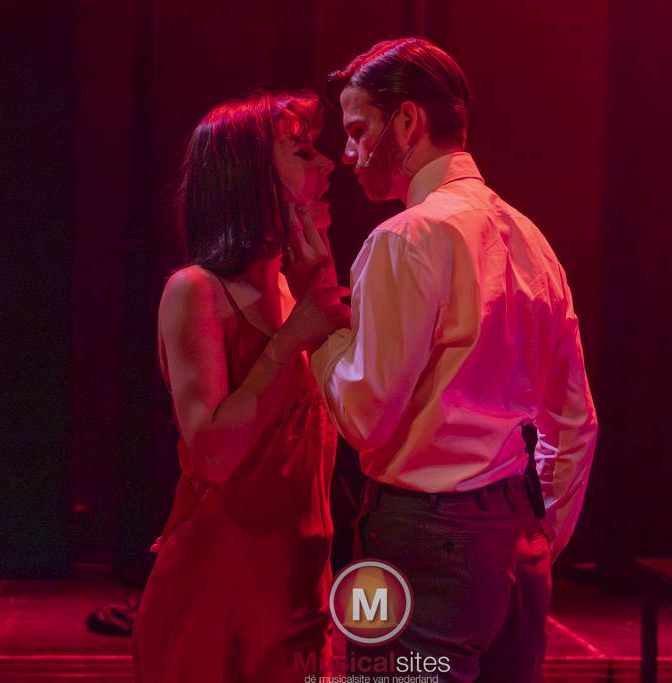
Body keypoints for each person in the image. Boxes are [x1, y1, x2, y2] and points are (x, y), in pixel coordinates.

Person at [308, 38, 599, 682]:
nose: (348, 154)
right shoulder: (532, 238)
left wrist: (319, 331)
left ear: (407, 121)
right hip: (515, 538)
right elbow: (574, 423)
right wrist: (537, 535)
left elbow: (364, 417)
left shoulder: (408, 237)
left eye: (357, 131)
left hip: (423, 537)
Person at [132, 89, 349, 683]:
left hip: (300, 593)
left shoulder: (296, 293)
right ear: (247, 178)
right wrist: (291, 340)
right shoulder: (197, 291)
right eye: (302, 152)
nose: (328, 163)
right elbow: (212, 453)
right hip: (217, 597)